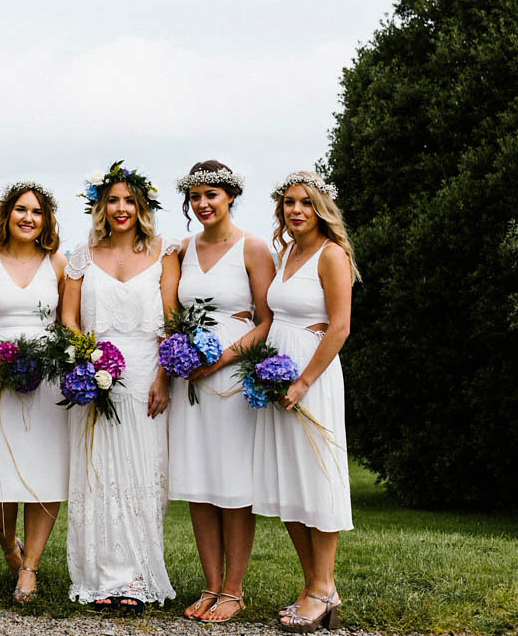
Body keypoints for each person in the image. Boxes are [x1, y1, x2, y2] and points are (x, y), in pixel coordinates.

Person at [60, 161, 179, 614]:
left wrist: (164, 376)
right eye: (113, 199)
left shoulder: (165, 252)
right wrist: (87, 360)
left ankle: (135, 576)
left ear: (143, 205)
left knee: (143, 473)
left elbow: (170, 322)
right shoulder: (83, 256)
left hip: (148, 374)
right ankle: (102, 577)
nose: (121, 208)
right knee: (100, 475)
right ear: (100, 205)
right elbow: (69, 319)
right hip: (97, 375)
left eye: (130, 200)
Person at [253, 171, 359, 633]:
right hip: (278, 378)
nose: (296, 210)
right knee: (288, 482)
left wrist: (302, 381)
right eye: (289, 203)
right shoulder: (286, 253)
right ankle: (314, 584)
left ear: (321, 209)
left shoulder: (331, 255)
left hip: (311, 379)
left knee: (317, 477)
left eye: (306, 202)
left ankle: (324, 586)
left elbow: (338, 327)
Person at [168, 161, 274, 622]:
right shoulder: (181, 250)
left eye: (211, 195)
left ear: (230, 196)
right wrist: (182, 354)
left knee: (232, 484)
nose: (203, 204)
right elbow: (171, 314)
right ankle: (210, 585)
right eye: (195, 197)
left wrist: (224, 358)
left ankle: (234, 590)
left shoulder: (252, 247)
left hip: (230, 376)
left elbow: (268, 319)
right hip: (190, 378)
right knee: (198, 481)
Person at [0, 182, 68, 603]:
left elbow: (66, 323)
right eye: (21, 210)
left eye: (37, 212)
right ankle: (10, 548)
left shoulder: (58, 264)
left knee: (44, 471)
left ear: (46, 220)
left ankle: (31, 568)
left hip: (47, 379)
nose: (29, 218)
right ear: (6, 215)